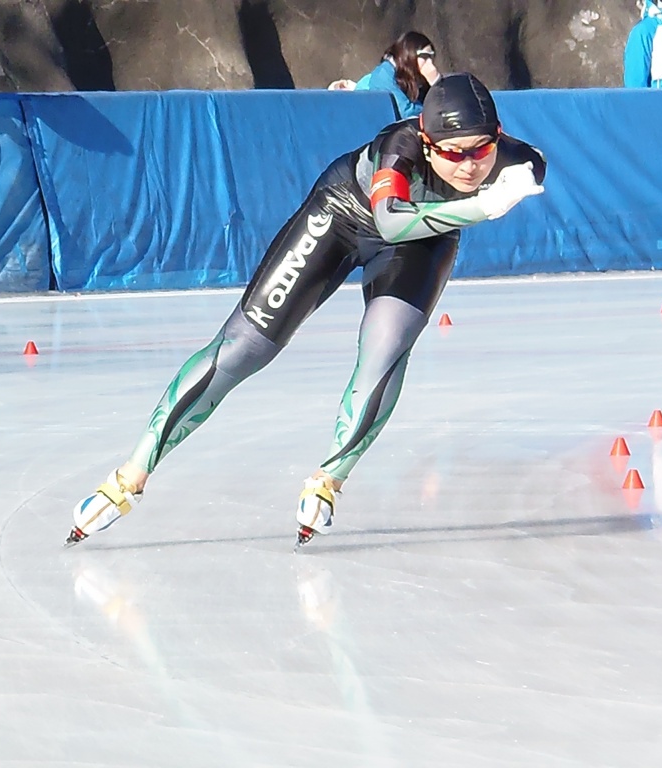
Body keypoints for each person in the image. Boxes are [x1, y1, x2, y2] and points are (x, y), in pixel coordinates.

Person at [66, 73, 547, 550]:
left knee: (386, 349)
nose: (467, 166)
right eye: (451, 152)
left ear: (498, 137)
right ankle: (131, 473)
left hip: (424, 241)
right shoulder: (399, 146)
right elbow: (391, 220)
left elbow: (534, 162)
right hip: (343, 215)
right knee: (243, 349)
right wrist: (484, 207)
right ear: (426, 140)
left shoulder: (518, 162)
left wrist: (495, 192)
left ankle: (330, 478)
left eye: (480, 150)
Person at [328, 32, 441, 119]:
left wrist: (437, 85)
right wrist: (436, 85)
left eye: (431, 57)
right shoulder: (385, 75)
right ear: (409, 54)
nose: (429, 63)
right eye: (424, 56)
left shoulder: (412, 76)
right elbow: (405, 113)